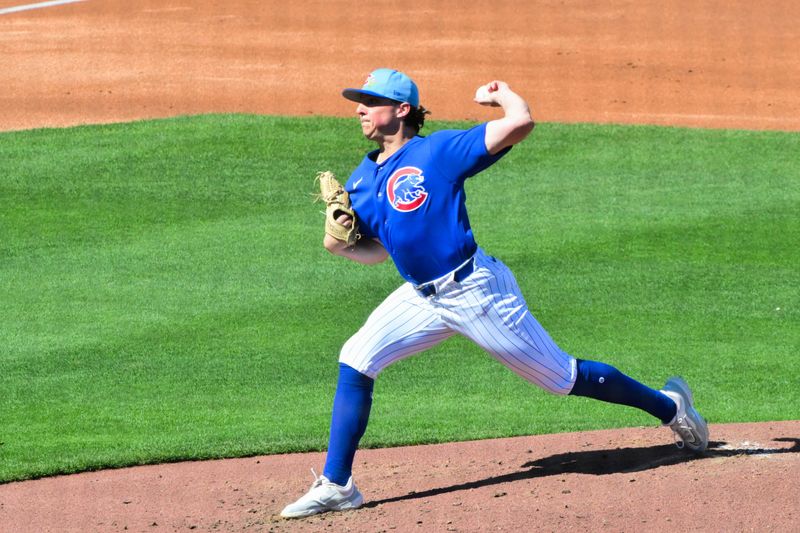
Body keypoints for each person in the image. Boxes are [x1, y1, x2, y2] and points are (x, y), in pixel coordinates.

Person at [280, 68, 708, 519]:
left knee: (562, 378)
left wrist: (504, 95)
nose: (360, 108)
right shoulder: (364, 176)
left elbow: (520, 124)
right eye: (359, 101)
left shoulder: (439, 151)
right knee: (357, 357)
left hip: (477, 292)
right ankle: (337, 485)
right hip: (422, 297)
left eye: (370, 100)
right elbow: (374, 253)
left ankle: (672, 407)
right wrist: (341, 239)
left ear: (402, 110)